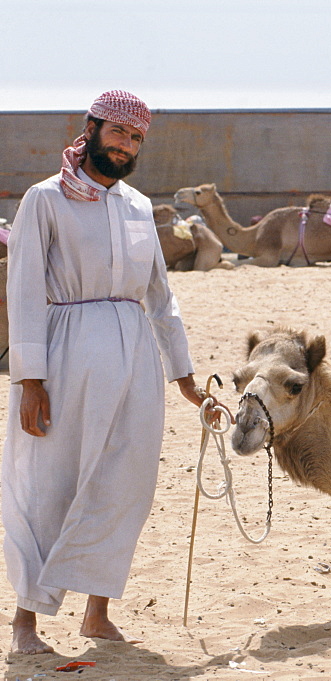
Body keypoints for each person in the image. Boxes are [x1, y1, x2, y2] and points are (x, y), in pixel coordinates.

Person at [3, 90, 222, 654]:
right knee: (48, 484)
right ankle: (25, 623)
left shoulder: (138, 206)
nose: (126, 145)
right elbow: (24, 290)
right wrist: (30, 380)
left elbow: (159, 295)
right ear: (93, 128)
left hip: (135, 357)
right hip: (65, 352)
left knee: (124, 484)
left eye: (136, 138)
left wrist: (186, 378)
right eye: (119, 133)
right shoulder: (44, 199)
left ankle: (95, 615)